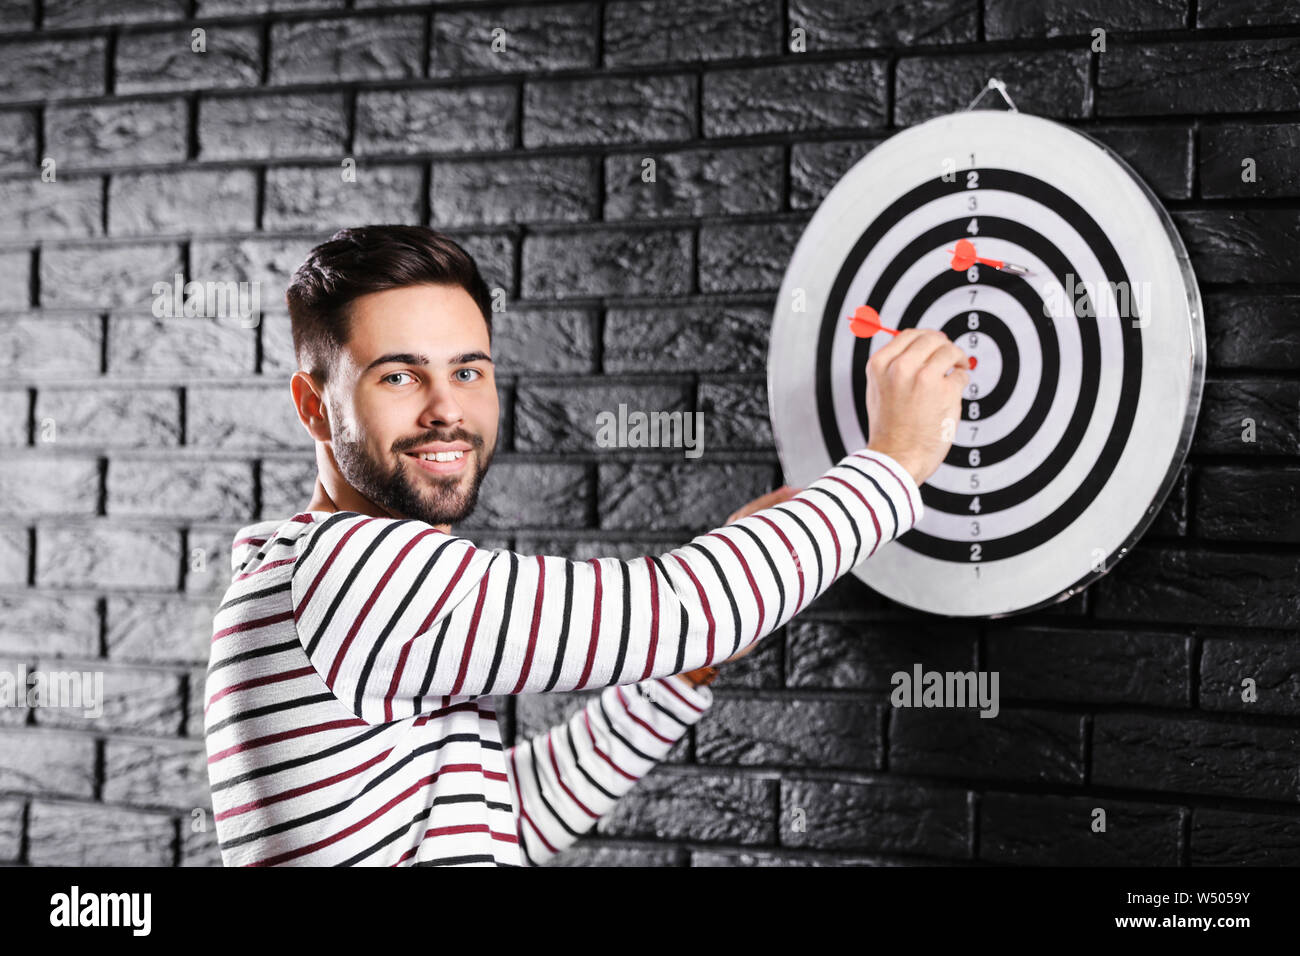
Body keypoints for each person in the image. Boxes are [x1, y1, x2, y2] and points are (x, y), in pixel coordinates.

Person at [203, 224, 969, 866]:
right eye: (399, 377)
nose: (447, 409)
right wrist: (897, 459)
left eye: (467, 370)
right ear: (313, 407)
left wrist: (687, 666)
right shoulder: (354, 571)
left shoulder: (311, 580)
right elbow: (684, 610)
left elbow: (508, 824)